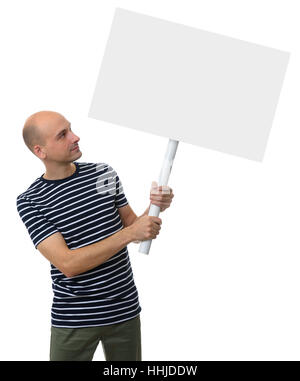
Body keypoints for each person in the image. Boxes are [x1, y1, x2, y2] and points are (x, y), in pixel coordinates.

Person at [16, 110, 174, 361]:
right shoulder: (31, 201)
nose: (75, 137)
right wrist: (130, 233)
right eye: (63, 135)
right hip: (73, 320)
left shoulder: (104, 174)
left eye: (71, 129)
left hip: (124, 312)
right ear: (40, 151)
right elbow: (68, 264)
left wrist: (156, 206)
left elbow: (135, 229)